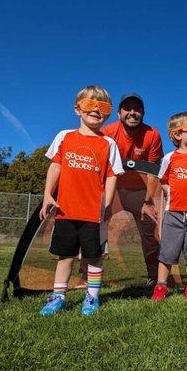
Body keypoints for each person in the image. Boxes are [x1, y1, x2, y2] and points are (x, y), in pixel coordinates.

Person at [38, 85, 124, 316]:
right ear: (77, 109)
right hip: (66, 210)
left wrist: (107, 205)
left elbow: (112, 176)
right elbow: (55, 166)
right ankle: (58, 297)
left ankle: (92, 298)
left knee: (94, 257)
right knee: (64, 255)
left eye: (103, 106)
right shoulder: (64, 136)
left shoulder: (109, 144)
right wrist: (48, 195)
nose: (96, 110)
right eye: (90, 104)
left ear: (108, 112)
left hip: (93, 214)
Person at [83, 93, 163, 286]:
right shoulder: (108, 131)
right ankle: (85, 278)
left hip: (140, 191)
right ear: (119, 113)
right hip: (114, 189)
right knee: (94, 228)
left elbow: (154, 171)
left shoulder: (152, 134)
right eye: (128, 108)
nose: (132, 112)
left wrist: (149, 201)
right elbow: (98, 167)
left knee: (151, 232)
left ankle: (154, 277)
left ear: (143, 113)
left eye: (137, 109)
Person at [151, 112, 187, 302]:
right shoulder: (170, 158)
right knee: (167, 252)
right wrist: (170, 191)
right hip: (174, 213)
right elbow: (163, 180)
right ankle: (161, 287)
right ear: (177, 135)